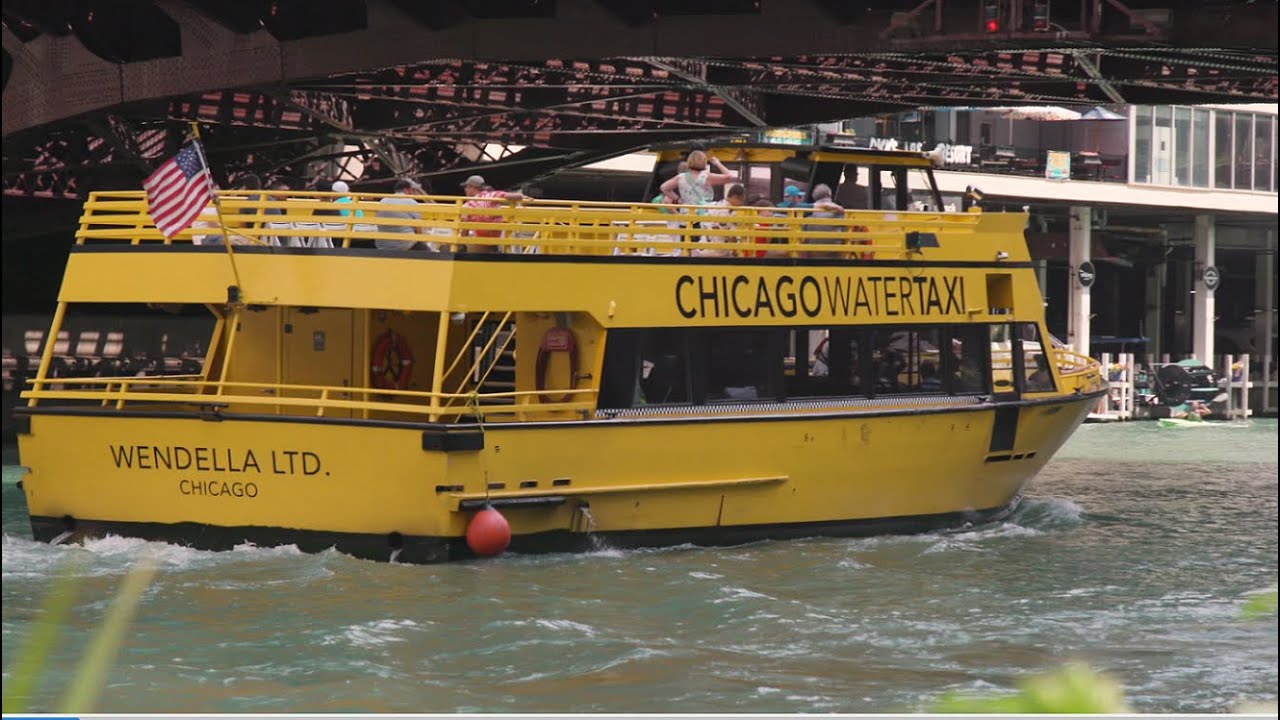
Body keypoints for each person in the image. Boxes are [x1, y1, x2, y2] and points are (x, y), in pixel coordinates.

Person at [460, 175, 526, 253]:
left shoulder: (468, 205)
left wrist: (461, 242)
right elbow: (517, 196)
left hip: (480, 242)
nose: (465, 189)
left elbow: (465, 226)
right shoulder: (493, 195)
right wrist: (522, 197)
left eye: (466, 187)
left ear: (472, 187)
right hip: (496, 240)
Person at [373, 178, 427, 250]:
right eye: (413, 190)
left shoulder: (383, 201)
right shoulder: (411, 202)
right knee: (425, 248)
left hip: (382, 244)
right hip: (405, 245)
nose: (414, 193)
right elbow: (419, 229)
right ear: (407, 190)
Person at [801, 183, 846, 258]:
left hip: (812, 253)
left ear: (814, 196)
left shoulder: (809, 210)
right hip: (833, 253)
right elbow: (845, 230)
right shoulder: (838, 211)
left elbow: (802, 233)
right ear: (829, 194)